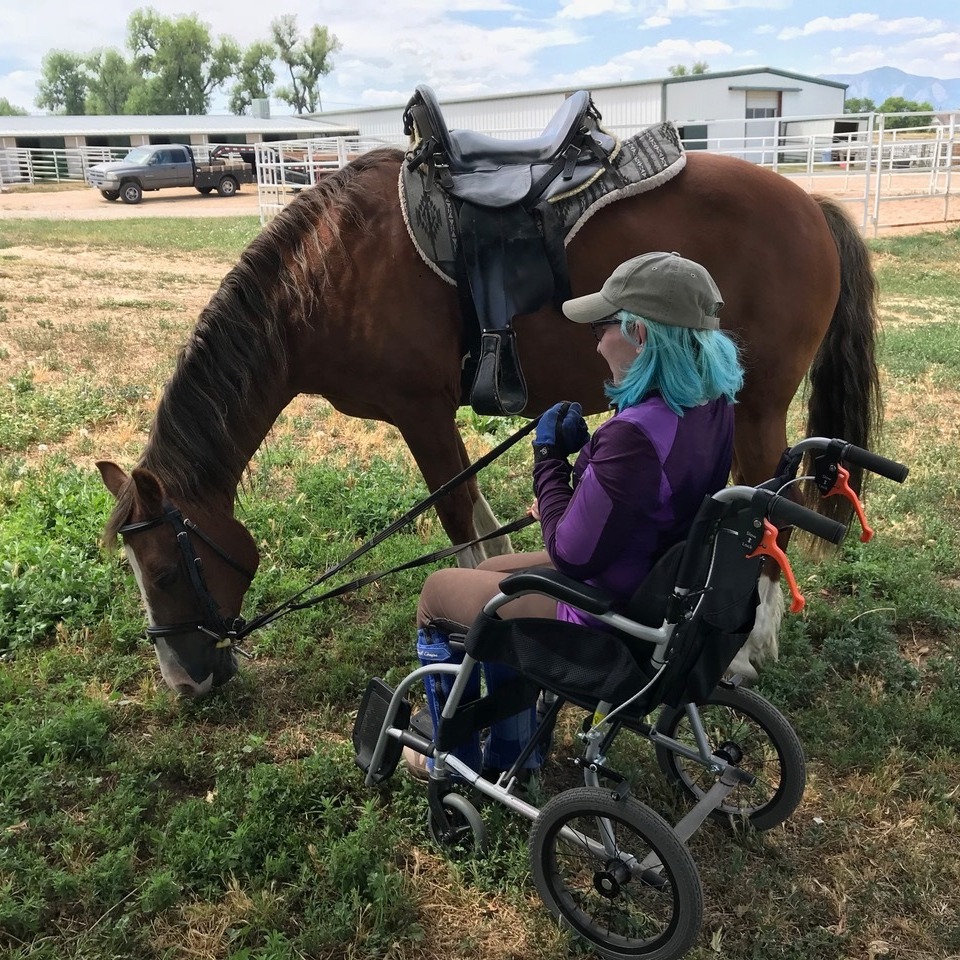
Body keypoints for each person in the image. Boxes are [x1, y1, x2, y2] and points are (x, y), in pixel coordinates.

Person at [407, 250, 744, 780]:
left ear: (640, 336)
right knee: (483, 577)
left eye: (602, 327)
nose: (594, 340)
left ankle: (452, 755)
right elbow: (645, 491)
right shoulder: (713, 403)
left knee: (436, 595)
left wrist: (550, 463)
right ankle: (514, 746)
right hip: (652, 577)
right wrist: (590, 458)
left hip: (605, 610)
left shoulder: (631, 438)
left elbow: (569, 549)